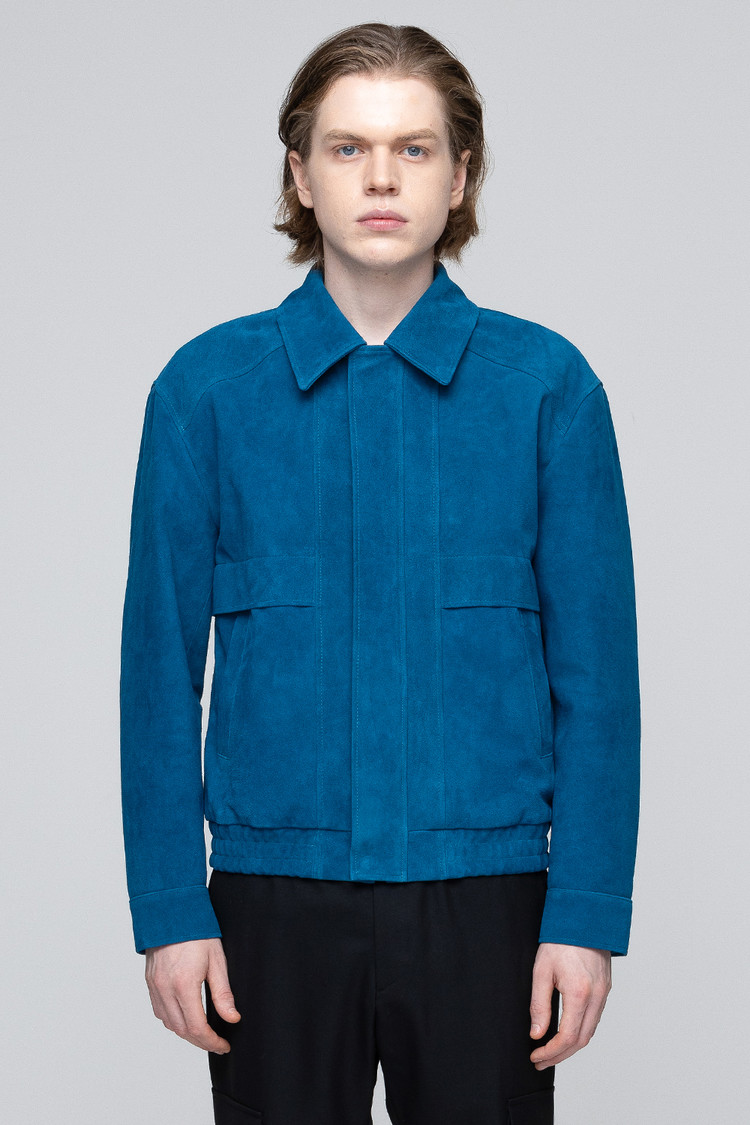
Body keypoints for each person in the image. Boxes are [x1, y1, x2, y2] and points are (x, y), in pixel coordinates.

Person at [119, 22, 640, 1125]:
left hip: (490, 903)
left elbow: (599, 682)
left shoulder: (548, 390)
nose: (382, 178)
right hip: (269, 905)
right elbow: (157, 676)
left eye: (415, 148)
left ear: (461, 176)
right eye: (348, 148)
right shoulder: (205, 392)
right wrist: (169, 905)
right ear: (300, 175)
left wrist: (586, 913)